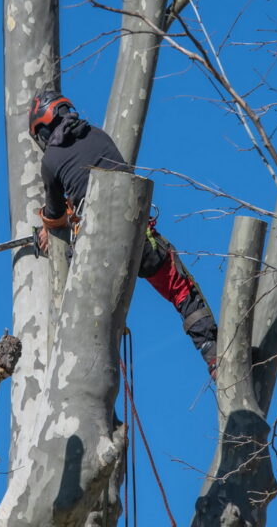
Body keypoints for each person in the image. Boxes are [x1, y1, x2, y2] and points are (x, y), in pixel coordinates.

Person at [29, 90, 218, 375]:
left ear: (43, 127)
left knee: (81, 305)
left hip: (93, 252)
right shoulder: (98, 135)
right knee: (181, 288)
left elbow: (54, 216)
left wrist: (48, 225)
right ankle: (214, 354)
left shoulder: (51, 160)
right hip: (136, 235)